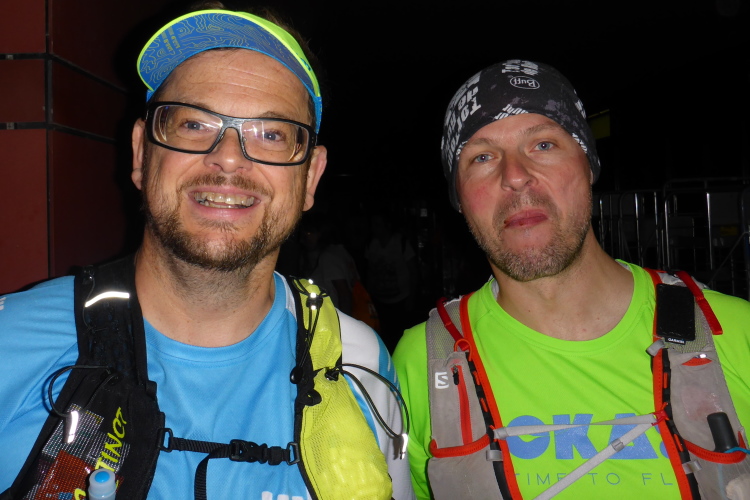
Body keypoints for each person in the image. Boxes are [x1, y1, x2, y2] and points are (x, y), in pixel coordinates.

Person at [0, 6, 413, 500]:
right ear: (141, 152)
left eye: (272, 134)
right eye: (194, 124)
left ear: (311, 178)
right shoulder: (11, 343)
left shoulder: (361, 363)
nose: (229, 158)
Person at [393, 59, 750, 499]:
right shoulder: (422, 363)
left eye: (543, 145)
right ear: (459, 198)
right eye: (482, 157)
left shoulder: (733, 332)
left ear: (588, 166)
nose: (515, 176)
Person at [365, 212, 419, 352]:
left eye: (378, 224)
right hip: (380, 300)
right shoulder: (372, 244)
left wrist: (411, 297)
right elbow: (369, 271)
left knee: (401, 337)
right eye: (373, 224)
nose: (374, 228)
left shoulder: (400, 243)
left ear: (387, 225)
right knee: (384, 337)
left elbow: (413, 271)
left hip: (401, 299)